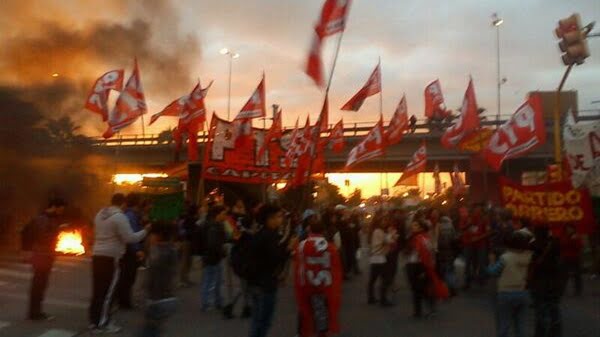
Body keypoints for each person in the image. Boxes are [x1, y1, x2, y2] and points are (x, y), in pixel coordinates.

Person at [90, 193, 149, 333]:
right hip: (111, 258)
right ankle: (103, 323)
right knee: (108, 293)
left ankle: (94, 322)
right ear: (123, 203)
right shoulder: (119, 217)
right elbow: (130, 238)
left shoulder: (100, 213)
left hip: (97, 255)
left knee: (97, 291)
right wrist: (145, 231)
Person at [247, 204, 296, 337]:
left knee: (257, 321)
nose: (281, 220)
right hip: (265, 284)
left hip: (255, 282)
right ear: (270, 218)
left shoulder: (259, 233)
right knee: (263, 322)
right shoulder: (269, 236)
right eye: (279, 217)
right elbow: (275, 259)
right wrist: (289, 248)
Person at [294, 214, 342, 337]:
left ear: (309, 229)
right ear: (323, 231)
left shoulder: (302, 245)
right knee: (322, 311)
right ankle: (322, 332)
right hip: (323, 284)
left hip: (307, 283)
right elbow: (335, 267)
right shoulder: (330, 247)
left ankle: (303, 332)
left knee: (305, 310)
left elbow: (299, 264)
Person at [135, 221, 178, 337]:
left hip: (156, 300)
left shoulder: (158, 253)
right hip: (167, 298)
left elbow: (151, 278)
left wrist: (143, 298)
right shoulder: (171, 250)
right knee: (154, 329)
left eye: (150, 234)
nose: (149, 237)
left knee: (148, 331)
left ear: (157, 235)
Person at [27, 197, 67, 321]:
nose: (62, 212)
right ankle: (35, 313)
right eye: (61, 209)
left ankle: (35, 311)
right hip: (42, 255)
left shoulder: (47, 218)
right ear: (54, 207)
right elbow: (42, 236)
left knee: (40, 284)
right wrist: (57, 231)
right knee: (39, 284)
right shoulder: (43, 219)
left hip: (45, 255)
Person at [486, 232, 532, 337]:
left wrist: (491, 261)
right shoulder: (528, 256)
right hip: (523, 292)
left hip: (506, 293)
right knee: (520, 325)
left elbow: (492, 272)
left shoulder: (506, 258)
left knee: (504, 325)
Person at [528, 227, 567, 337]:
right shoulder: (555, 244)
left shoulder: (534, 245)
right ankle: (555, 332)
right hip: (555, 282)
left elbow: (531, 261)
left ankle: (540, 332)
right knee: (554, 308)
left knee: (540, 310)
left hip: (539, 282)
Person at [405, 220, 448, 318]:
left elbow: (428, 253)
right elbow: (408, 250)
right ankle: (418, 311)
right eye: (412, 225)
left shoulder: (424, 238)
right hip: (411, 265)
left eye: (415, 225)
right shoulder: (412, 237)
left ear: (421, 228)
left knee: (423, 289)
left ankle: (431, 308)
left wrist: (425, 268)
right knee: (415, 289)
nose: (413, 227)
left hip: (420, 265)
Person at [115, 193, 145, 309]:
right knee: (127, 277)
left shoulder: (132, 215)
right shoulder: (130, 216)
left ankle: (123, 300)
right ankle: (123, 302)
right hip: (129, 250)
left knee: (127, 277)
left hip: (129, 249)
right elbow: (131, 235)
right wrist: (137, 250)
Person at [201, 205, 228, 311]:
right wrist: (222, 251)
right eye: (223, 214)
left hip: (209, 256)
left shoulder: (209, 224)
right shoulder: (215, 226)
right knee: (213, 280)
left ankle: (213, 301)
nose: (225, 216)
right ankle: (210, 302)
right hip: (213, 257)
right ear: (218, 214)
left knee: (211, 280)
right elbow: (213, 244)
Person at [367, 213, 392, 306]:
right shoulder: (379, 231)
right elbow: (387, 241)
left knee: (373, 279)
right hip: (380, 257)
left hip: (374, 257)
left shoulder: (374, 231)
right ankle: (383, 299)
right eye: (383, 221)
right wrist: (390, 234)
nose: (385, 222)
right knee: (385, 279)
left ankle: (371, 297)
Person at [436, 216, 459, 296]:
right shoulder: (451, 227)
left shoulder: (439, 227)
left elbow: (437, 239)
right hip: (450, 252)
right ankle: (452, 288)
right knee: (450, 270)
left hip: (442, 252)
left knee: (443, 270)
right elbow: (455, 239)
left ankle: (445, 288)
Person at [178, 203, 199, 288]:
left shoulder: (190, 218)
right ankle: (182, 280)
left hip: (188, 241)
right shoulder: (189, 219)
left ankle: (185, 279)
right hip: (187, 241)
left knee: (188, 262)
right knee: (185, 261)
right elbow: (187, 230)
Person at [560, 224, 583, 296]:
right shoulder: (563, 236)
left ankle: (578, 290)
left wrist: (574, 240)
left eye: (570, 228)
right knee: (564, 275)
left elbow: (579, 247)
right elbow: (562, 245)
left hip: (575, 257)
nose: (569, 230)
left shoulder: (577, 236)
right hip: (565, 257)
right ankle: (562, 290)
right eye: (567, 228)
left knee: (577, 275)